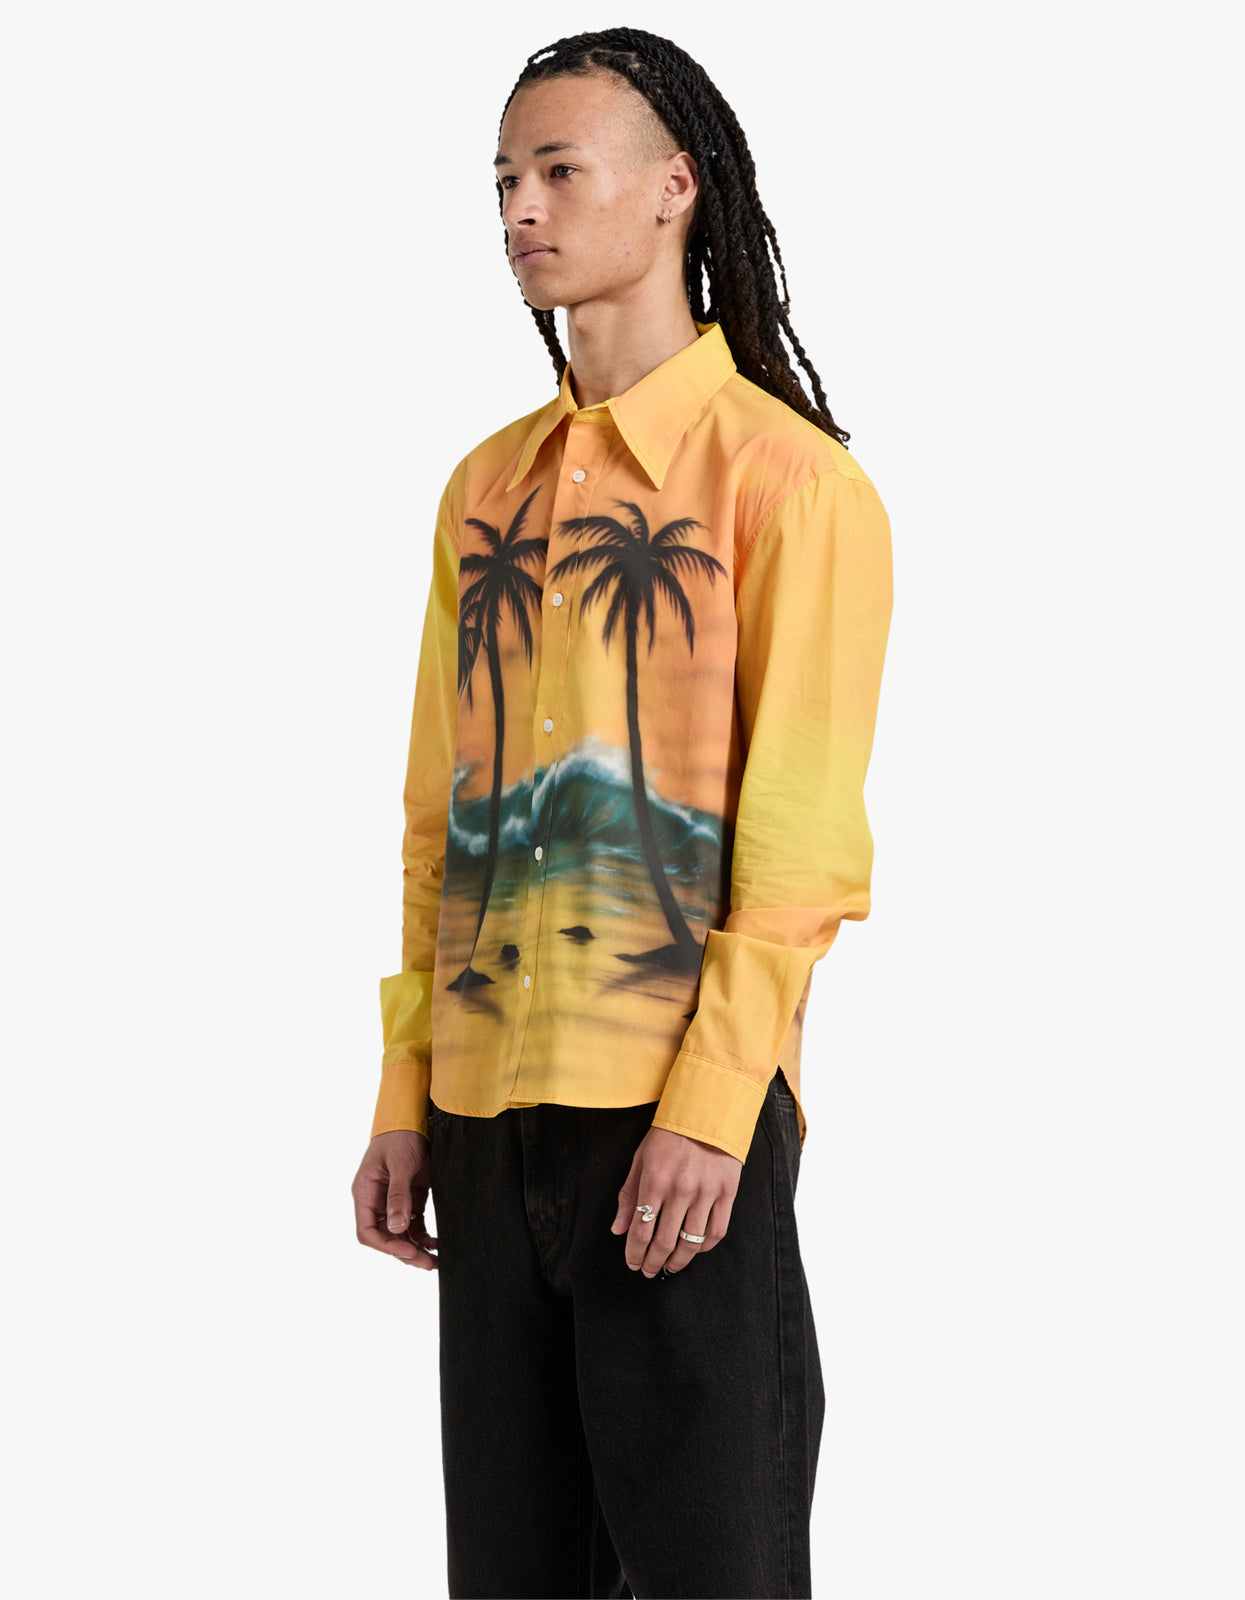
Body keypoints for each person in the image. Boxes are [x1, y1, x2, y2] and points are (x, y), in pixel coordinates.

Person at [350, 26, 893, 1599]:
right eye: (502, 180)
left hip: (672, 1121)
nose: (518, 208)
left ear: (674, 189)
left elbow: (798, 843)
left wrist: (713, 1108)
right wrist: (405, 1085)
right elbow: (438, 815)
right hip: (481, 1113)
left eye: (557, 170)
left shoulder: (790, 485)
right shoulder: (482, 490)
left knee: (713, 1574)